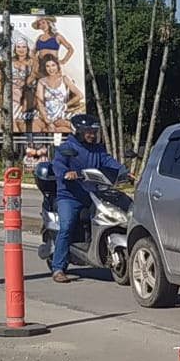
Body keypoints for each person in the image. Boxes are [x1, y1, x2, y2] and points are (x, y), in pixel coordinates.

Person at [49, 112, 125, 283]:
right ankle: (58, 268)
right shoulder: (66, 148)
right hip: (70, 196)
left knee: (116, 217)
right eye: (88, 132)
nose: (92, 135)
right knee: (67, 226)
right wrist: (66, 173)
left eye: (93, 131)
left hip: (94, 195)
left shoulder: (98, 149)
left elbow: (109, 162)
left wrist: (124, 171)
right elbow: (58, 164)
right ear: (78, 132)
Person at [34, 53, 84, 131]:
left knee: (73, 129)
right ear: (45, 68)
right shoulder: (42, 82)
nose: (51, 69)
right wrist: (48, 121)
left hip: (60, 115)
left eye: (53, 65)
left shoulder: (64, 79)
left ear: (57, 66)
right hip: (44, 116)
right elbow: (40, 103)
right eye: (48, 66)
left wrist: (66, 105)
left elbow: (80, 95)